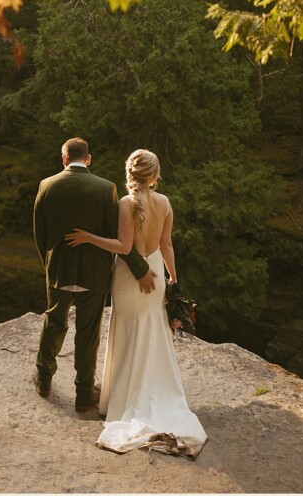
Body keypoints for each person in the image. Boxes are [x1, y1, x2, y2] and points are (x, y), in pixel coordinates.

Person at [66, 149, 207, 458]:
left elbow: (124, 247)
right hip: (155, 272)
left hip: (128, 277)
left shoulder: (126, 204)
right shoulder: (165, 203)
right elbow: (166, 245)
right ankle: (153, 392)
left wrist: (89, 237)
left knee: (128, 331)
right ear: (154, 175)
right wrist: (173, 281)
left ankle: (122, 397)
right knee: (152, 330)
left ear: (130, 173)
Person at [33, 137, 158, 412]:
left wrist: (49, 266)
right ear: (88, 159)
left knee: (54, 322)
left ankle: (44, 379)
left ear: (64, 159)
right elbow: (117, 234)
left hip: (60, 271)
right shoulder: (105, 189)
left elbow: (40, 236)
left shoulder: (47, 187)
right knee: (88, 335)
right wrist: (141, 269)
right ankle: (84, 394)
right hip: (95, 274)